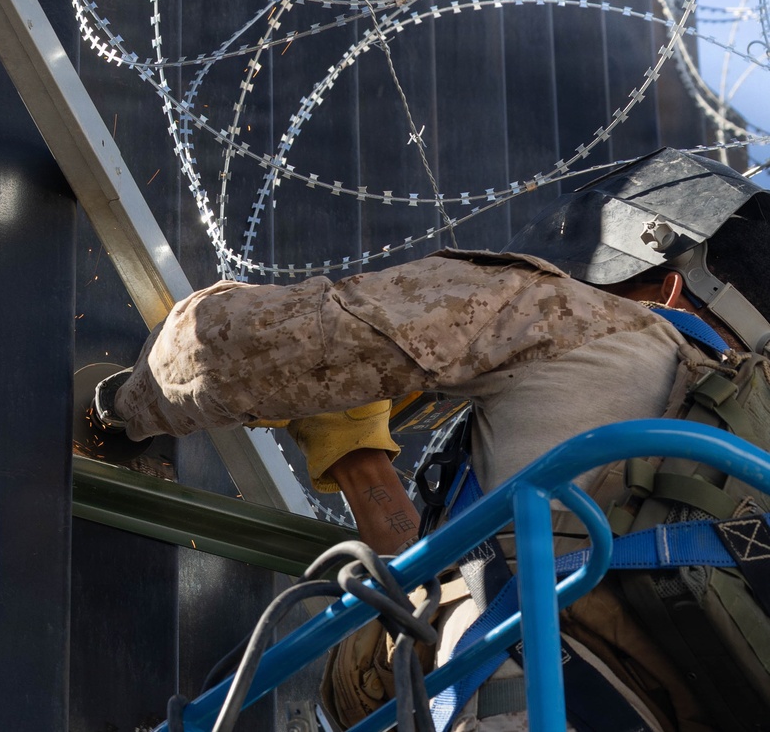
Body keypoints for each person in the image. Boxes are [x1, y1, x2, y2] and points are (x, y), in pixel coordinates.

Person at [103, 148, 770, 730]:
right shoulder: (747, 477)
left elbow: (241, 348)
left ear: (668, 278)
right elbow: (480, 585)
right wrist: (363, 463)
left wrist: (120, 407)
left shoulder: (576, 317)